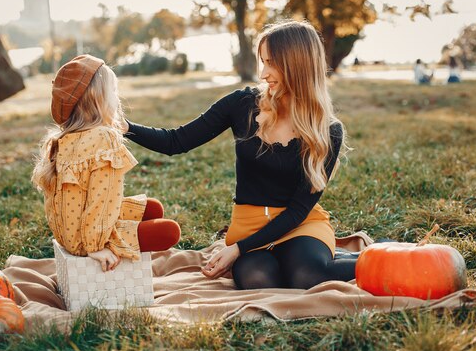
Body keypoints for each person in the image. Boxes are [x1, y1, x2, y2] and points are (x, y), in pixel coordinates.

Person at [122, 20, 357, 290]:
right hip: (248, 227)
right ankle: (324, 258)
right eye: (263, 62)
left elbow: (298, 209)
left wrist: (236, 250)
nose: (264, 73)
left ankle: (378, 258)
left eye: (272, 63)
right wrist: (126, 127)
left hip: (300, 226)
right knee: (258, 281)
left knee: (307, 276)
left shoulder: (327, 130)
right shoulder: (241, 104)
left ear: (297, 65)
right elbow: (177, 141)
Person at [32, 54, 180, 272]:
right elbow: (102, 198)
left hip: (69, 234)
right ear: (97, 98)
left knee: (153, 208)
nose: (118, 98)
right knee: (170, 231)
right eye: (114, 92)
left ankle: (105, 240)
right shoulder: (104, 137)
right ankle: (111, 251)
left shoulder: (63, 139)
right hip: (88, 238)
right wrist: (95, 246)